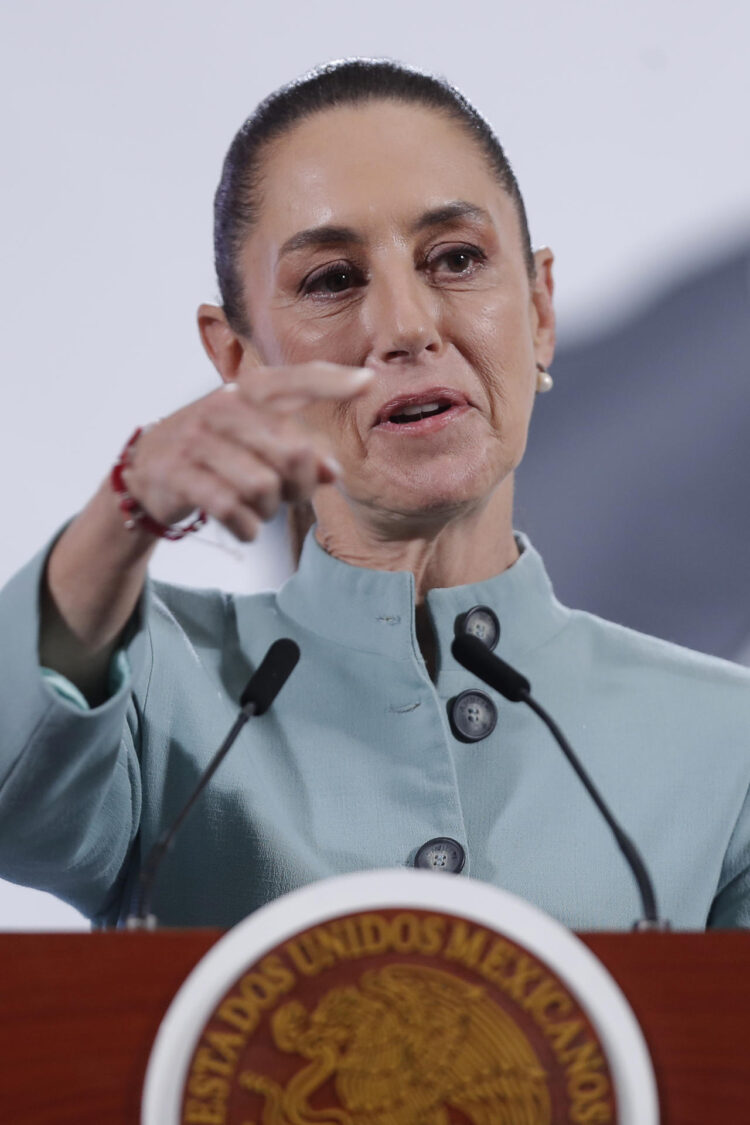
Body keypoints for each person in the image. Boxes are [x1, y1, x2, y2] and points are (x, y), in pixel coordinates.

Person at [1, 59, 749, 931]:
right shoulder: (157, 694)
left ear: (541, 311)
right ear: (237, 359)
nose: (405, 326)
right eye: (331, 280)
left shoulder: (724, 742)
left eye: (457, 258)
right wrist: (124, 508)